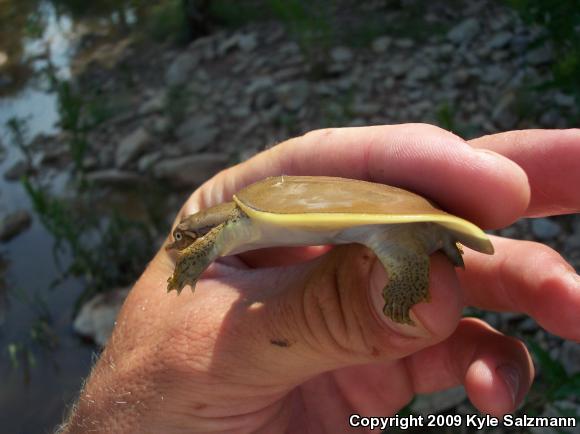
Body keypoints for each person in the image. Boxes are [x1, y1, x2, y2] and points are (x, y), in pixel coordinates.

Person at [59, 124, 580, 433]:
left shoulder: (242, 221)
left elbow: (209, 242)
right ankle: (429, 249)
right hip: (394, 224)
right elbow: (208, 240)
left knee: (402, 266)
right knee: (399, 252)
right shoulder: (243, 223)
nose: (188, 242)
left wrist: (188, 268)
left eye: (193, 239)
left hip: (396, 226)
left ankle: (418, 264)